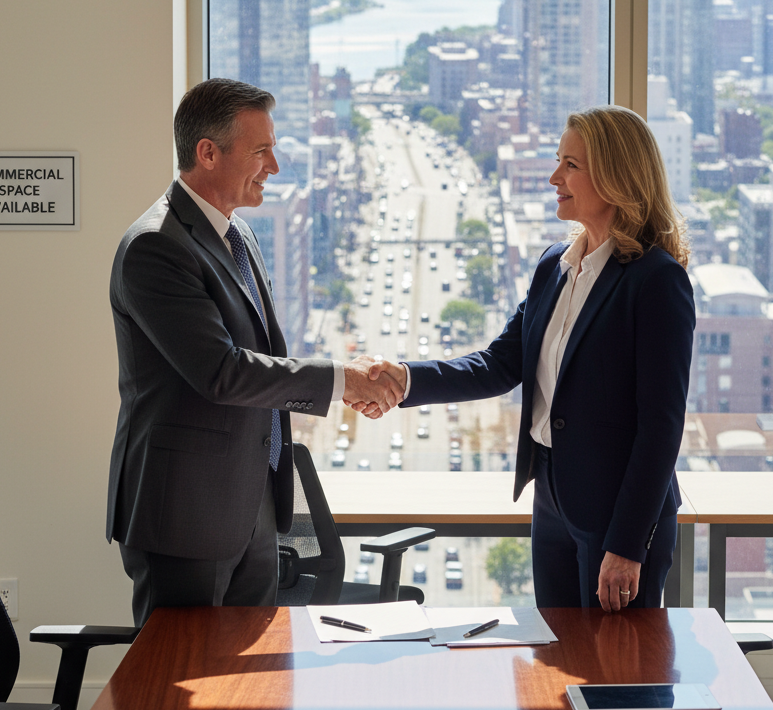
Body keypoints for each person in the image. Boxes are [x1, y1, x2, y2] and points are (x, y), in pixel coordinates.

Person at [371, 106, 694, 611]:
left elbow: (662, 427)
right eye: (558, 161)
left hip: (617, 515)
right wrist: (406, 379)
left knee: (617, 674)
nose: (554, 178)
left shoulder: (655, 282)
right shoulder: (554, 267)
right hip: (552, 499)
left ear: (614, 176)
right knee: (555, 661)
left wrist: (628, 545)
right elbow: (500, 364)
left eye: (571, 165)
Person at [107, 78, 401, 626]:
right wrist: (341, 380)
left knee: (250, 693)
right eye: (262, 150)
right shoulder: (155, 248)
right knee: (180, 685)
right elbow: (221, 372)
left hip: (254, 507)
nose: (276, 165)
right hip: (186, 516)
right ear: (208, 152)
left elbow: (261, 356)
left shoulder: (239, 236)